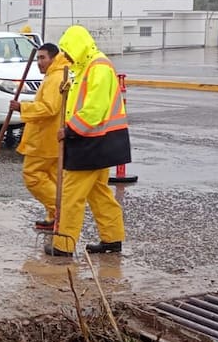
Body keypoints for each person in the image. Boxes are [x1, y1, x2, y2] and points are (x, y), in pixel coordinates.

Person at [45, 25, 130, 257]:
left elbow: (94, 109)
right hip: (99, 141)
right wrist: (67, 89)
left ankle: (63, 245)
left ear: (79, 46)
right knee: (98, 193)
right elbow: (80, 101)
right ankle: (112, 239)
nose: (67, 56)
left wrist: (69, 130)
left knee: (71, 195)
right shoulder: (83, 67)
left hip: (93, 141)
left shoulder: (99, 67)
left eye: (68, 51)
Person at [9, 42, 69, 230]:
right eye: (37, 58)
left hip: (44, 139)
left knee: (33, 175)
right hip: (50, 138)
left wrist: (22, 107)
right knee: (52, 178)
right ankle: (54, 216)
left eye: (43, 58)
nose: (39, 62)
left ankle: (60, 211)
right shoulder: (55, 75)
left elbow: (49, 108)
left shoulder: (55, 77)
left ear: (53, 57)